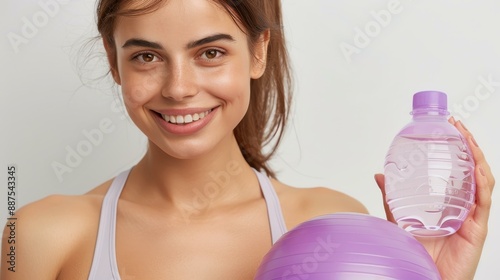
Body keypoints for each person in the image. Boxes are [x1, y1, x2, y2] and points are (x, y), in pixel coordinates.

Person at [1, 0, 494, 279]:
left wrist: (429, 277)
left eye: (210, 52)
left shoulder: (326, 222)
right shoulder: (40, 236)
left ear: (258, 54)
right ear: (114, 62)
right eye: (146, 57)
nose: (178, 88)